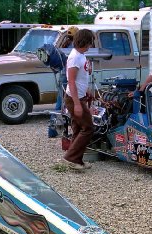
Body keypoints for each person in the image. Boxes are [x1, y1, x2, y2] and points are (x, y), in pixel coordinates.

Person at [62, 29, 94, 170]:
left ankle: (76, 161)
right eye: (90, 41)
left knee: (78, 129)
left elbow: (81, 79)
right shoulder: (74, 57)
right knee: (88, 128)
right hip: (74, 99)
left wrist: (87, 91)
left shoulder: (81, 56)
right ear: (86, 41)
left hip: (80, 96)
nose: (91, 44)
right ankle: (71, 157)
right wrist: (77, 104)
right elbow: (72, 81)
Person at [48, 26, 79, 138]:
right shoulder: (74, 48)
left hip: (62, 76)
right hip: (68, 78)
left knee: (59, 105)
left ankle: (52, 131)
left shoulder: (63, 46)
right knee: (65, 105)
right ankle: (57, 131)